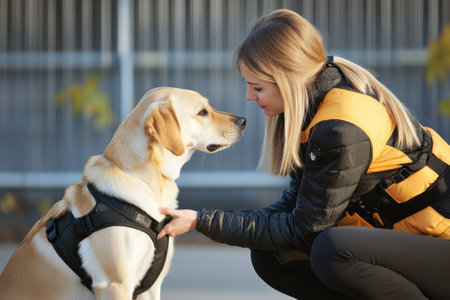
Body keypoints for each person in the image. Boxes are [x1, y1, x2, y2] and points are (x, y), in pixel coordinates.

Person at [157, 9, 450, 300]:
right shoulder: (315, 110)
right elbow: (295, 208)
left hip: (440, 244)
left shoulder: (340, 129)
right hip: (415, 243)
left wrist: (202, 221)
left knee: (333, 250)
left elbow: (305, 229)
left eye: (257, 87)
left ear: (287, 80)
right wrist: (203, 218)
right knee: (273, 256)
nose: (249, 96)